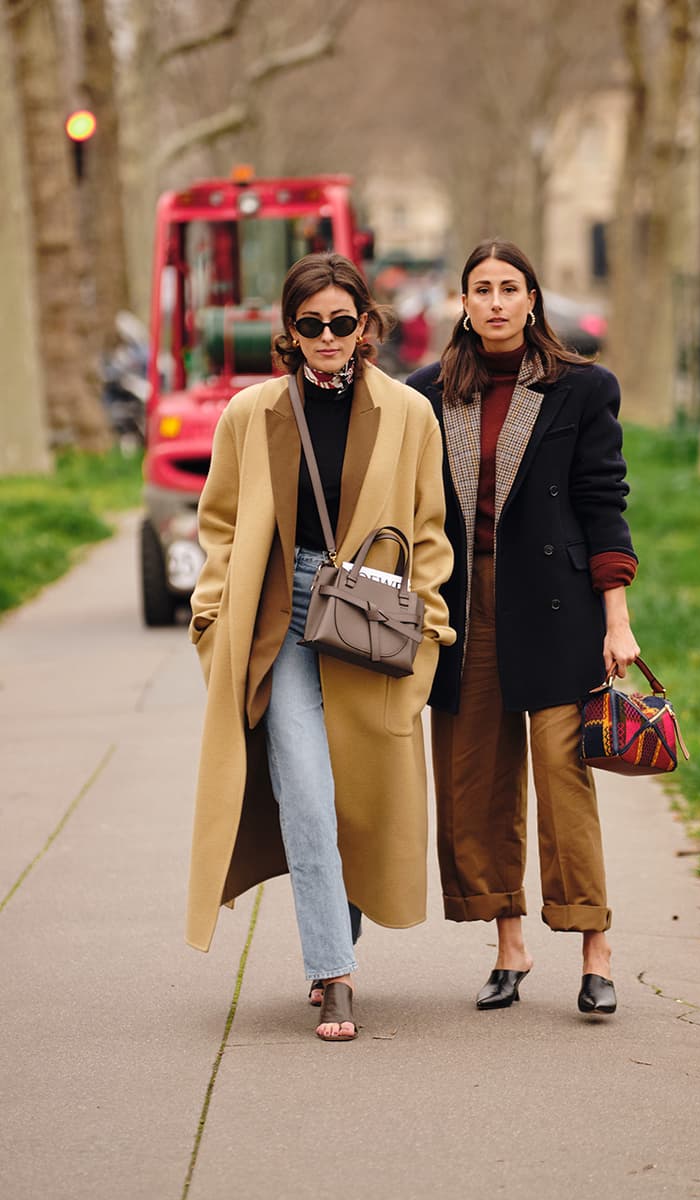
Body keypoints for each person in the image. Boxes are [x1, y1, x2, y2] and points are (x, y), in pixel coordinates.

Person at [186, 253, 454, 1041]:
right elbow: (221, 525)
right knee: (303, 787)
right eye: (312, 325)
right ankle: (332, 973)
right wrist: (211, 618)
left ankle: (343, 914)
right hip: (279, 617)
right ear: (290, 332)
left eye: (342, 322)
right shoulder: (251, 412)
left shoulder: (408, 412)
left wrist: (429, 627)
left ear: (365, 325)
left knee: (360, 792)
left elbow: (430, 529)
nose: (328, 336)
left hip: (372, 613)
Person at [407, 239, 640, 1015]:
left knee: (562, 778)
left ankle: (594, 948)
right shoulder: (429, 393)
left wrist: (618, 620)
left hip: (557, 604)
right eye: (483, 289)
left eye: (511, 288)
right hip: (462, 605)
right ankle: (508, 943)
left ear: (533, 299)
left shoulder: (581, 388)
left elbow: (604, 503)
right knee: (473, 779)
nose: (498, 302)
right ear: (463, 303)